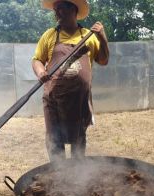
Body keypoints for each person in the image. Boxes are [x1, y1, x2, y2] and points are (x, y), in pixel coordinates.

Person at [32, 0, 109, 162]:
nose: (56, 13)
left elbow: (103, 60)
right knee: (54, 139)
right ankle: (57, 175)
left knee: (78, 139)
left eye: (61, 8)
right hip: (54, 100)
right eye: (55, 9)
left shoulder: (89, 36)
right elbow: (37, 60)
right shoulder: (50, 35)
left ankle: (78, 177)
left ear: (73, 10)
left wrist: (102, 37)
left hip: (78, 101)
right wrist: (40, 71)